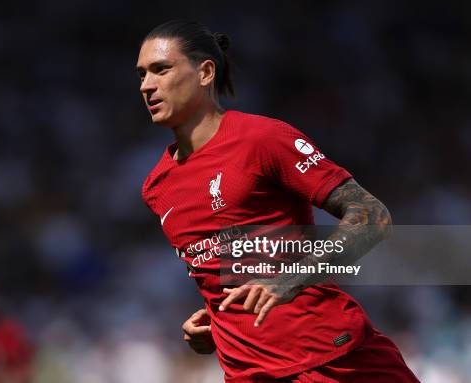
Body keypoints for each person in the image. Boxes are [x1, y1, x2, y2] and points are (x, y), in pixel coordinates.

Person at [138, 20, 419, 382]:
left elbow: (372, 217)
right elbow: (227, 271)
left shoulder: (263, 139)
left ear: (205, 71)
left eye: (161, 70)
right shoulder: (156, 187)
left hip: (334, 359)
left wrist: (289, 279)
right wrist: (219, 325)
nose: (147, 85)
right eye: (142, 74)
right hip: (249, 373)